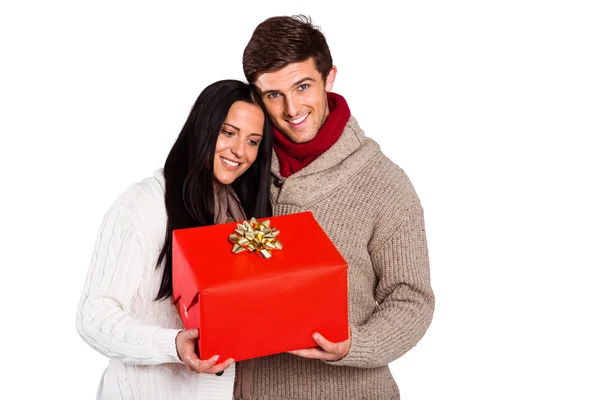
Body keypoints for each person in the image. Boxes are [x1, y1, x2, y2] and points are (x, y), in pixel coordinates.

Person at [235, 15, 435, 399]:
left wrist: (353, 344)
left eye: (303, 86)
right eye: (273, 95)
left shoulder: (383, 183)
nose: (292, 108)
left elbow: (412, 300)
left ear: (329, 78)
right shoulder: (240, 167)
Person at [76, 79, 273, 400]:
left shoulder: (242, 216)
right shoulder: (143, 205)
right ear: (202, 128)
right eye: (228, 132)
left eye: (253, 141)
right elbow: (93, 316)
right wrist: (173, 344)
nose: (240, 151)